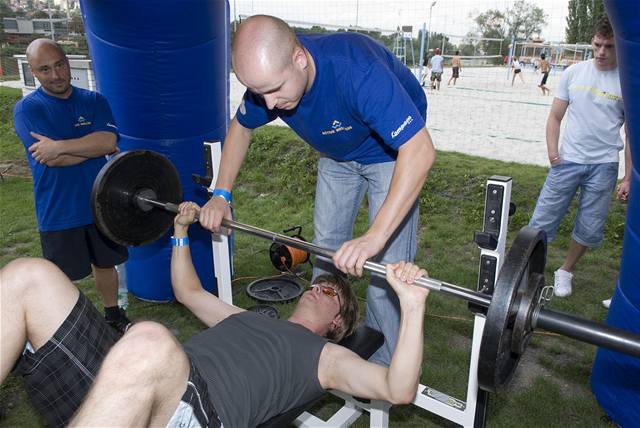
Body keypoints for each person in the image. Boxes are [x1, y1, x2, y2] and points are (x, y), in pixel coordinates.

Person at [0, 201, 431, 427]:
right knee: (30, 275)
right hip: (124, 392)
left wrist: (412, 307)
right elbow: (187, 291)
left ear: (337, 323)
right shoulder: (247, 319)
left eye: (331, 293)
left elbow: (397, 389)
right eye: (319, 282)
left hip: (196, 413)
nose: (318, 286)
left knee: (148, 341)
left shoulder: (326, 358)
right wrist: (180, 231)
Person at [198, 15, 436, 367]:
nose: (270, 105)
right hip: (337, 154)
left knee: (387, 270)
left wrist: (373, 238)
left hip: (392, 153)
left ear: (300, 58)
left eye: (275, 90)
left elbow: (420, 151)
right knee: (325, 253)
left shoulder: (357, 70)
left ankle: (384, 369)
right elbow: (241, 126)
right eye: (259, 93)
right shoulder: (272, 81)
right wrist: (222, 194)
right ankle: (316, 348)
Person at [12, 38, 130, 332]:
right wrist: (88, 148)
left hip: (99, 203)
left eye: (60, 65)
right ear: (33, 72)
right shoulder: (28, 109)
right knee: (61, 278)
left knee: (106, 264)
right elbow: (50, 160)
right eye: (45, 69)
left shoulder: (93, 101)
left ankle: (114, 315)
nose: (56, 75)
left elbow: (108, 141)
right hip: (58, 208)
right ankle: (68, 330)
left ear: (68, 62)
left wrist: (61, 146)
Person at [528, 17, 631, 304]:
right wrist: (553, 152)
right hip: (567, 161)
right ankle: (527, 270)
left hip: (604, 166)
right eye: (597, 45)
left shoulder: (627, 80)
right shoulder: (573, 73)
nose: (601, 52)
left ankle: (566, 270)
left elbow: (630, 133)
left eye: (609, 46)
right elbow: (555, 117)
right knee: (541, 221)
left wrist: (627, 176)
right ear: (591, 42)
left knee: (590, 226)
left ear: (618, 46)